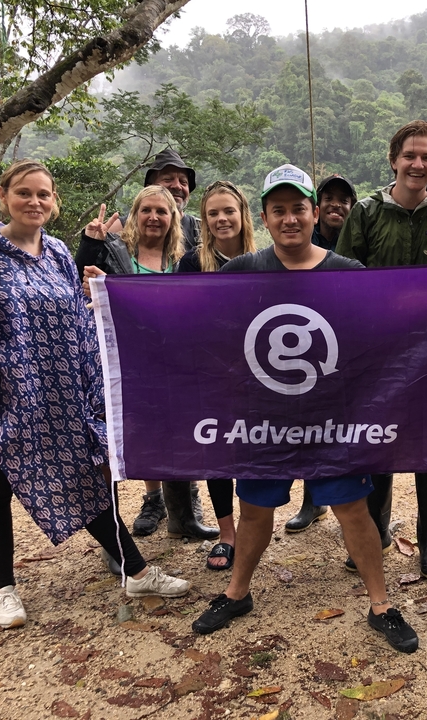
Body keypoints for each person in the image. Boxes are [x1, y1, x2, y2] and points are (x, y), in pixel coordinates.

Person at [191, 164, 427, 652]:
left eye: (298, 208)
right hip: (266, 421)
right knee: (255, 510)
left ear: (312, 214)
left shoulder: (348, 273)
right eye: (279, 210)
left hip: (334, 420)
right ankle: (236, 593)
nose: (290, 219)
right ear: (264, 217)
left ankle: (381, 604)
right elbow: (199, 326)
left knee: (352, 509)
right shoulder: (239, 274)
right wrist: (112, 296)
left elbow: (390, 325)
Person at [0, 160, 190, 629]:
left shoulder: (54, 252)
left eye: (43, 195)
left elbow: (73, 319)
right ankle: (4, 589)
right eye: (24, 193)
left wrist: (96, 295)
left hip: (58, 393)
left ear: (53, 203)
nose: (34, 202)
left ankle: (135, 572)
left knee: (88, 479)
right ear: (2, 195)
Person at [335, 120, 427, 579]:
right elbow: (342, 274)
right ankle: (377, 529)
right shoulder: (366, 211)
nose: (418, 165)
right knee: (377, 440)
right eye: (410, 156)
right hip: (376, 349)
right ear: (393, 160)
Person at [80, 186, 218, 547]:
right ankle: (137, 517)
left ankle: (183, 515)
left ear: (174, 218)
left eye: (162, 211)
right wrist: (91, 243)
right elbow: (84, 285)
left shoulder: (184, 258)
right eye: (146, 210)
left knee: (182, 432)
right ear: (134, 215)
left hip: (178, 358)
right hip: (129, 361)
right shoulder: (115, 252)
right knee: (138, 434)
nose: (154, 217)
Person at [177, 180, 257, 570]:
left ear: (243, 214)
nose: (222, 219)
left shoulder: (267, 258)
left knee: (254, 449)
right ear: (204, 221)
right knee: (218, 453)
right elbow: (180, 317)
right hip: (212, 375)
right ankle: (228, 535)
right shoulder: (192, 263)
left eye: (229, 211)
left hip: (261, 373)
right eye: (213, 213)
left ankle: (254, 526)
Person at [284, 173, 358, 533]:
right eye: (329, 198)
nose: (336, 205)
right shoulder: (298, 237)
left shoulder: (356, 238)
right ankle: (312, 502)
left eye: (343, 200)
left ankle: (360, 512)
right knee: (303, 423)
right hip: (301, 343)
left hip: (343, 343)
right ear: (317, 208)